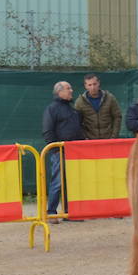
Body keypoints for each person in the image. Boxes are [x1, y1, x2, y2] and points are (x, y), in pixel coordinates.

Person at [41, 80, 82, 219]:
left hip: (74, 151)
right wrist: (55, 148)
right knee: (58, 181)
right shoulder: (52, 109)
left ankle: (69, 213)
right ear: (59, 92)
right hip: (59, 151)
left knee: (72, 181)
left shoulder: (73, 109)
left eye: (70, 88)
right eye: (68, 88)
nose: (71, 90)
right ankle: (51, 212)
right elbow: (47, 131)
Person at [73, 73, 122, 139]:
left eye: (94, 84)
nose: (92, 87)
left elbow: (117, 117)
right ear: (85, 86)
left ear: (98, 83)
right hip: (90, 142)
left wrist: (113, 136)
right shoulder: (80, 102)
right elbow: (77, 122)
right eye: (89, 85)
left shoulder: (110, 98)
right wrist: (85, 138)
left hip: (109, 140)